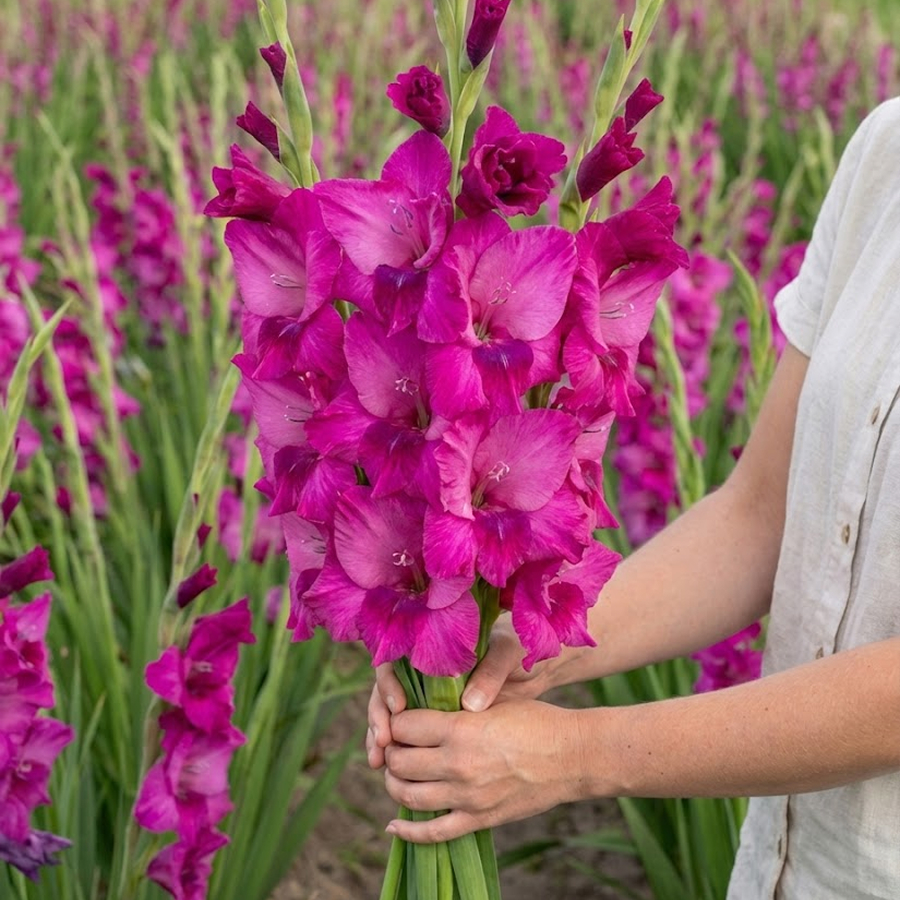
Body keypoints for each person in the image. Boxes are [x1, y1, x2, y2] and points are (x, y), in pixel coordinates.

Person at [366, 96, 900, 899]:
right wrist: (522, 642)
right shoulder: (886, 152)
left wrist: (576, 757)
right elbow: (759, 515)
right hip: (782, 868)